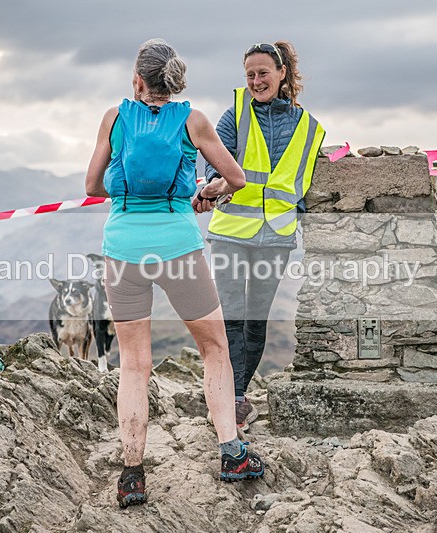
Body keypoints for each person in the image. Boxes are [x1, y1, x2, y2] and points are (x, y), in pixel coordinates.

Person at [84, 38, 265, 509]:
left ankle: (132, 475)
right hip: (179, 246)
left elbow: (91, 185)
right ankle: (231, 453)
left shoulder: (114, 117)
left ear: (137, 80)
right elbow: (238, 179)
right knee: (214, 348)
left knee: (134, 364)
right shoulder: (194, 119)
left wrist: (129, 190)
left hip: (122, 249)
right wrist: (208, 190)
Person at [193, 41, 325, 430]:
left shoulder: (309, 127)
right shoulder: (235, 113)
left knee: (256, 320)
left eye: (263, 73)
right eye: (249, 74)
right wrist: (214, 183)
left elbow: (304, 182)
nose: (255, 81)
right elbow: (213, 159)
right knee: (230, 317)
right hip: (232, 231)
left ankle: (237, 391)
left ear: (282, 73)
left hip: (276, 235)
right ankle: (232, 398)